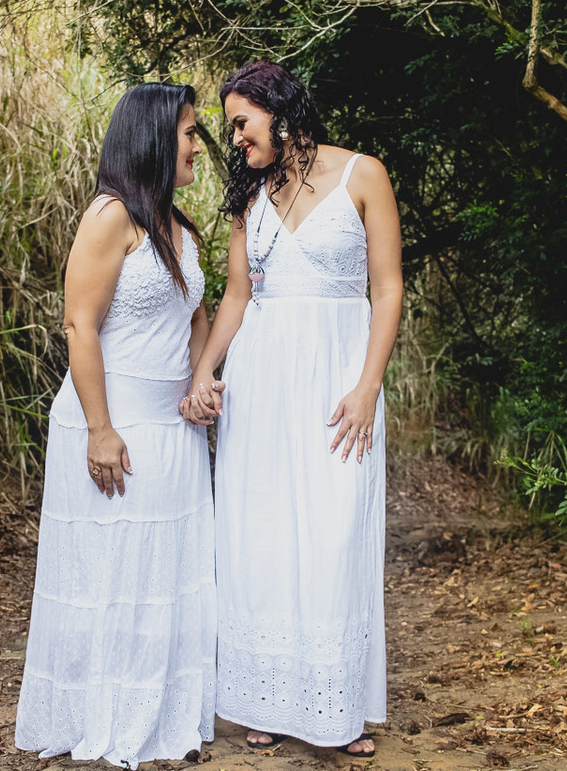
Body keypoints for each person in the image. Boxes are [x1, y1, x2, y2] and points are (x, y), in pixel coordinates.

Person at [182, 60, 402, 758]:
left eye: (242, 124)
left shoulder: (364, 174)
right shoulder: (251, 200)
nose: (235, 140)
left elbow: (389, 290)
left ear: (279, 111)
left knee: (335, 531)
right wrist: (204, 369)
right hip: (263, 384)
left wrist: (368, 385)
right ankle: (266, 697)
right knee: (264, 533)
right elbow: (239, 298)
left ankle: (336, 708)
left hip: (339, 381)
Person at [15, 82, 219, 769]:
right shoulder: (110, 217)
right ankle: (102, 716)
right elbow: (80, 324)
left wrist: (201, 385)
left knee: (163, 576)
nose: (199, 146)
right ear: (156, 139)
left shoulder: (182, 228)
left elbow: (195, 321)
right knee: (110, 576)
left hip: (174, 430)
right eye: (190, 133)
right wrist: (100, 429)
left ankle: (159, 717)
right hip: (113, 422)